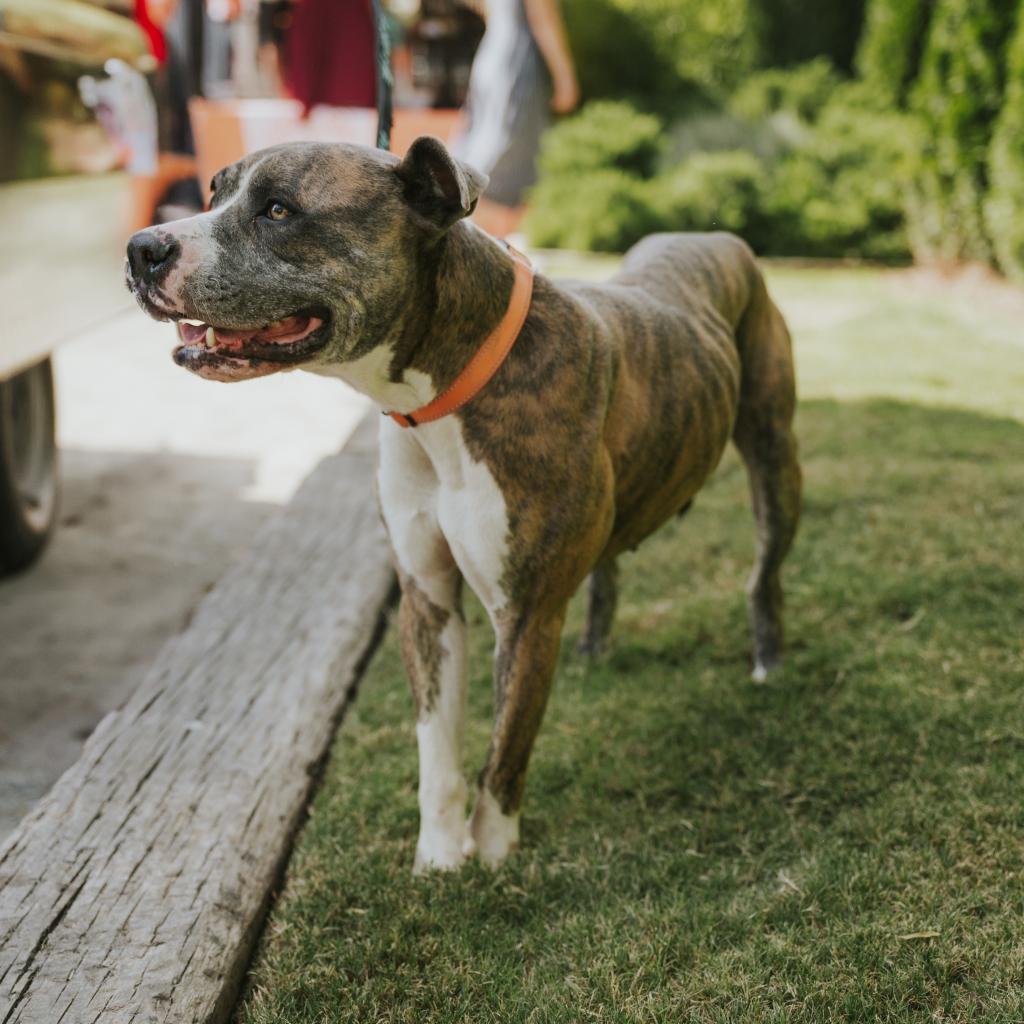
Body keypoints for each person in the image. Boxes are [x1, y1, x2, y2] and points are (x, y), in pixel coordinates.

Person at [452, 0, 579, 237]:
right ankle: (474, 236)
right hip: (517, 61)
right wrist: (565, 78)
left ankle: (475, 236)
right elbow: (544, 20)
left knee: (484, 144)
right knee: (508, 151)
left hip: (491, 55)